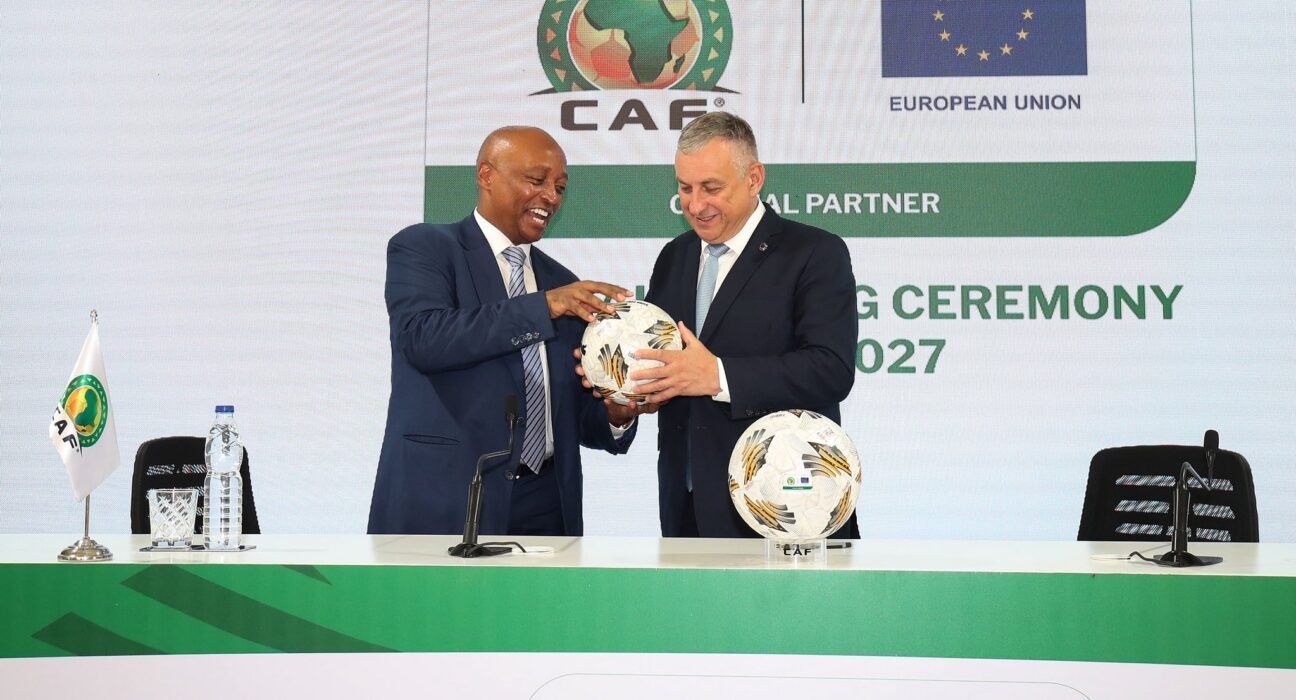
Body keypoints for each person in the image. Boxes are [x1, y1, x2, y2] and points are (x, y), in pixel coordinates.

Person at [368, 126, 644, 536]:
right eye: (536, 180)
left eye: (560, 187)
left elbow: (570, 414)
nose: (551, 197)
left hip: (548, 505)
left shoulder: (560, 281)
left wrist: (616, 412)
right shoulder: (426, 247)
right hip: (446, 498)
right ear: (486, 175)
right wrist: (542, 306)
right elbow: (424, 339)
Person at [633, 112, 860, 538]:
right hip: (686, 511)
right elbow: (666, 366)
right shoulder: (674, 256)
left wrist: (718, 376)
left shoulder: (815, 252)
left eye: (711, 188)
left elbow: (831, 369)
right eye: (685, 188)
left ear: (754, 178)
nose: (695, 205)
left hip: (785, 507)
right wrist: (626, 392)